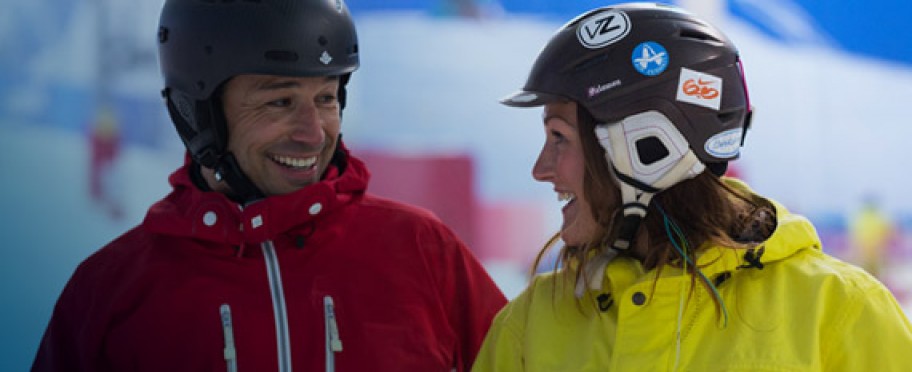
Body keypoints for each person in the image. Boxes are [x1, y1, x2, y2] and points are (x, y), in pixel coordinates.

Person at [33, 0, 506, 371]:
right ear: (198, 114)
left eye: (325, 98)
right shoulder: (112, 292)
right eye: (279, 101)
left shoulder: (422, 250)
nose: (314, 132)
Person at [472, 3, 912, 371]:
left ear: (646, 145)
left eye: (559, 138)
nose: (541, 168)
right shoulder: (529, 325)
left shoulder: (838, 311)